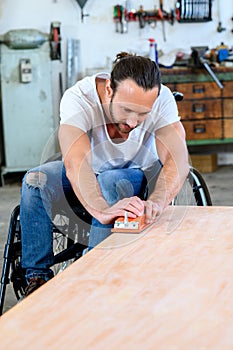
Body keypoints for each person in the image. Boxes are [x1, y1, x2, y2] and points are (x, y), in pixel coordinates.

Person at [20, 52, 189, 296]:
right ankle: (37, 277)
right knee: (36, 181)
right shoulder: (78, 98)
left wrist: (158, 200)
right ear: (109, 89)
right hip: (89, 172)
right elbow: (76, 161)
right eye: (127, 110)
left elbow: (177, 158)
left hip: (136, 172)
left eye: (143, 114)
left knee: (110, 181)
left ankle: (95, 277)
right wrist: (100, 208)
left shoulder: (162, 99)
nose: (133, 122)